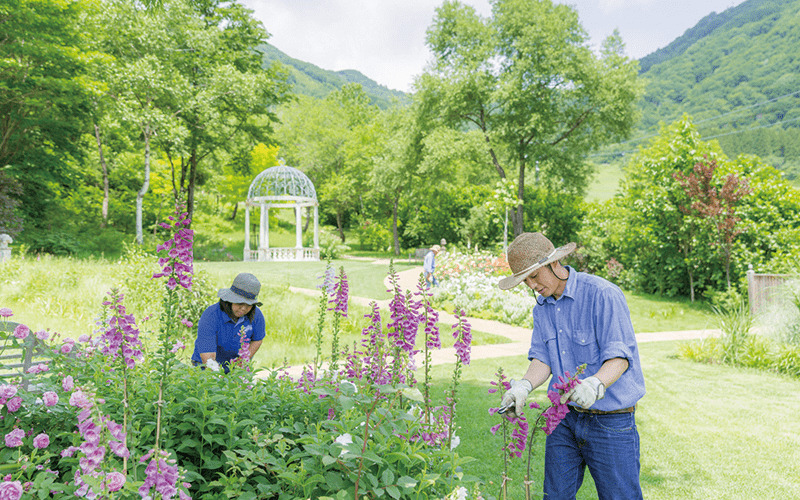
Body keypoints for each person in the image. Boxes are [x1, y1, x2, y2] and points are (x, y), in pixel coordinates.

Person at [496, 232, 645, 500]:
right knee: (555, 497)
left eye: (534, 276)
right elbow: (543, 358)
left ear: (554, 263)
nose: (532, 285)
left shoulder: (602, 295)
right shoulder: (542, 307)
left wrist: (595, 383)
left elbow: (620, 357)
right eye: (525, 280)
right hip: (564, 418)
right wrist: (524, 386)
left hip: (611, 421)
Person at [191, 273, 266, 374]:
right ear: (230, 300)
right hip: (206, 366)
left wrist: (239, 365)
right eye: (240, 303)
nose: (243, 308)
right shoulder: (211, 315)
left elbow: (257, 339)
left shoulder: (256, 315)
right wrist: (219, 378)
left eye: (249, 305)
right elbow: (208, 356)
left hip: (235, 368)